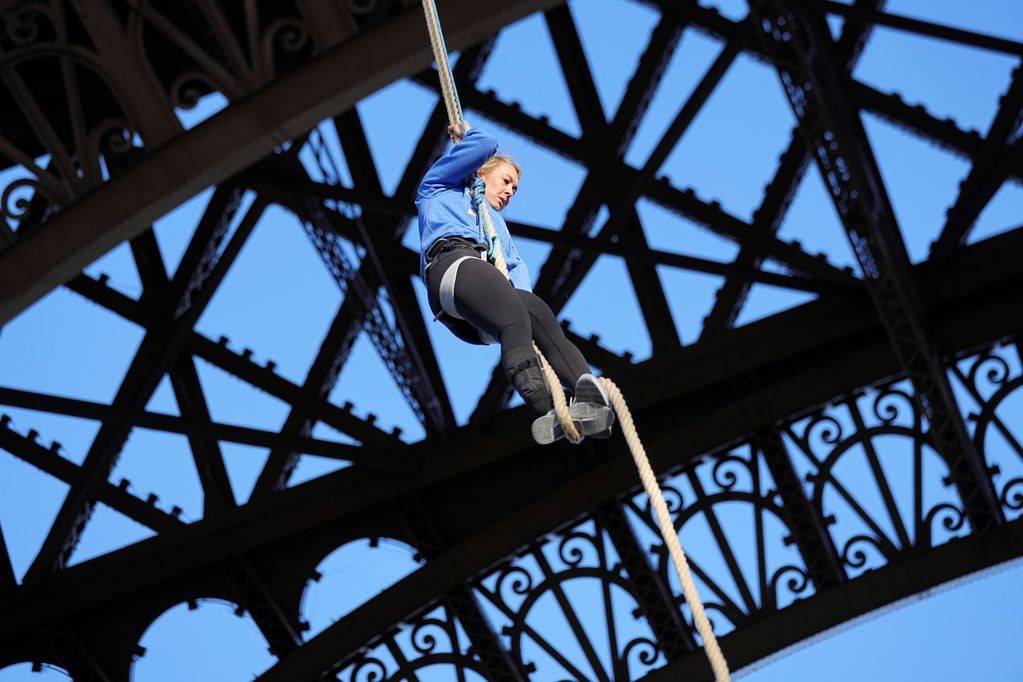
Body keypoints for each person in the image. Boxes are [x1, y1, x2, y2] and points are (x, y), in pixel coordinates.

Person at [416, 121, 614, 444]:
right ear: (481, 171)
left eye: (515, 189)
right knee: (513, 312)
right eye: (506, 181)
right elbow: (487, 143)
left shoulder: (498, 229)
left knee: (537, 313)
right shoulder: (438, 187)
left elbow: (516, 270)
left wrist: (529, 318)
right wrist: (470, 135)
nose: (510, 191)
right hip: (452, 268)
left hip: (484, 305)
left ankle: (588, 396)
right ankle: (544, 406)